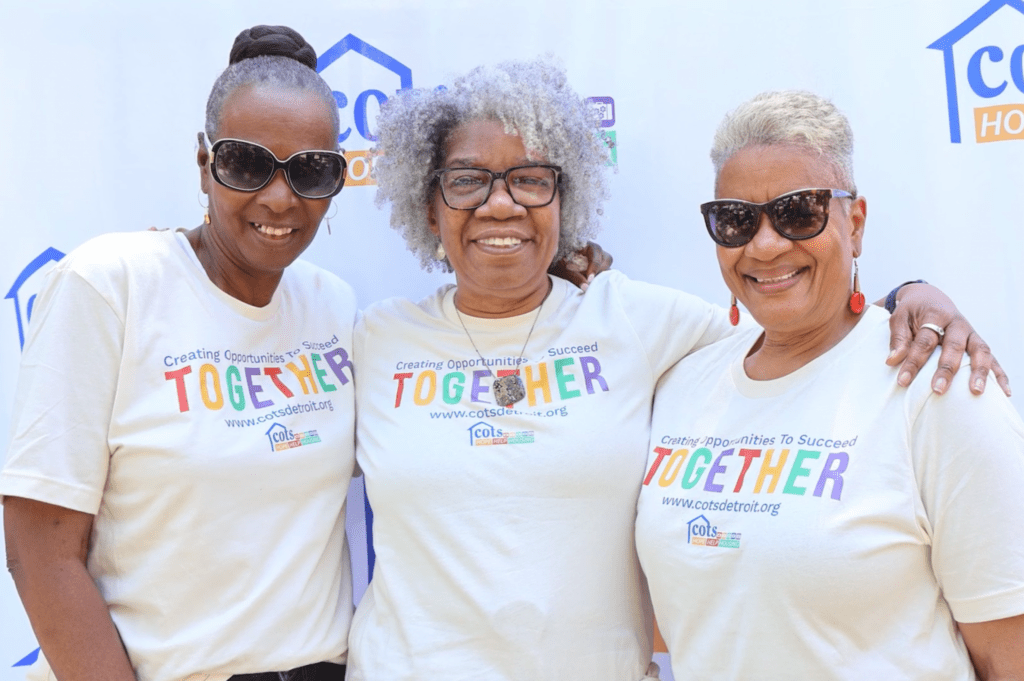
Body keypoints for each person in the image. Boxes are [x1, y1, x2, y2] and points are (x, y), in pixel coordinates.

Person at [346, 59, 1005, 681]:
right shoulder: (374, 339)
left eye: (530, 179)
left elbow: (795, 316)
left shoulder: (641, 323)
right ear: (428, 204)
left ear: (562, 199)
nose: (500, 204)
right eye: (466, 180)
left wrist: (911, 297)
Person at [2, 26, 355, 681]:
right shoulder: (110, 285)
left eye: (311, 170)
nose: (279, 198)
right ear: (204, 163)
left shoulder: (334, 307)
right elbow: (38, 545)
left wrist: (557, 283)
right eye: (247, 164)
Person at [635, 90, 1024, 680]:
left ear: (856, 222)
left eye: (799, 212)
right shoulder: (681, 383)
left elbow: (1008, 653)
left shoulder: (936, 389)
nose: (765, 244)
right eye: (735, 219)